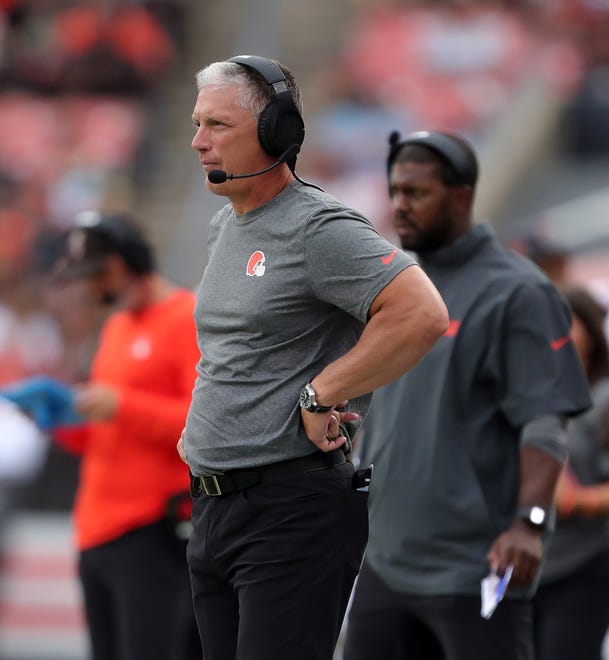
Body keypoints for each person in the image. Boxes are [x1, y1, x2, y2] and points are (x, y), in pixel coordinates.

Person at [178, 55, 449, 660]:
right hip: (215, 507)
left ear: (278, 133)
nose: (199, 142)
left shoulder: (317, 227)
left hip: (288, 509)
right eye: (197, 124)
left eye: (218, 126)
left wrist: (322, 391)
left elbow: (421, 312)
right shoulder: (227, 223)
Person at [342, 130, 592, 660]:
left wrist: (530, 523)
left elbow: (546, 420)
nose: (400, 206)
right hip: (386, 564)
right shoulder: (399, 290)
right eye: (395, 191)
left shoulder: (517, 290)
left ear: (460, 195)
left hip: (473, 566)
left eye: (416, 192)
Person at [1, 211, 202, 660]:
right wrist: (62, 420)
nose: (89, 290)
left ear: (118, 264)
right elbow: (109, 432)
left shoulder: (185, 316)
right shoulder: (116, 327)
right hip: (98, 530)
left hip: (152, 531)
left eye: (94, 275)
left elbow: (203, 426)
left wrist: (121, 405)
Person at [533, 286, 609, 660]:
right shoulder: (528, 392)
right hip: (526, 565)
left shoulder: (603, 399)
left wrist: (579, 500)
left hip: (584, 562)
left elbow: (568, 495)